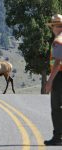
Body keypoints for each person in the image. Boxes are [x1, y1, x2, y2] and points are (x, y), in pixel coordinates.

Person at [45, 14, 62, 146]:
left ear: (56, 26)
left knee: (56, 108)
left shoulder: (58, 40)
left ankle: (58, 138)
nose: (51, 29)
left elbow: (57, 62)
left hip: (59, 77)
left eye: (52, 26)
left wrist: (50, 81)